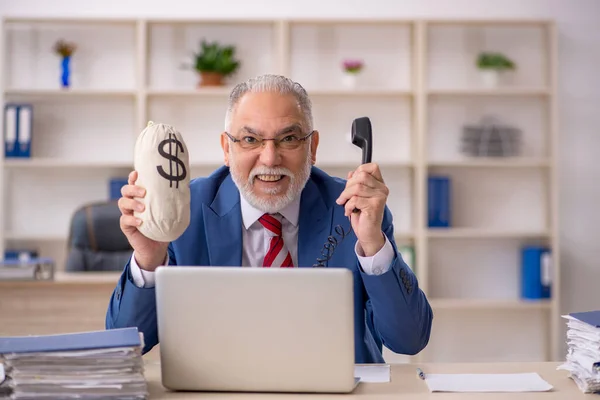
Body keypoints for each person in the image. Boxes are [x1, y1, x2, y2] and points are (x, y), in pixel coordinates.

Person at [106, 74, 433, 364]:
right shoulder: (186, 211)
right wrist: (149, 259)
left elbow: (409, 340)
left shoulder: (354, 211)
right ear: (226, 147)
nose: (270, 157)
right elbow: (125, 346)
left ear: (312, 146)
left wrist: (373, 243)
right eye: (250, 139)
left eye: (289, 138)